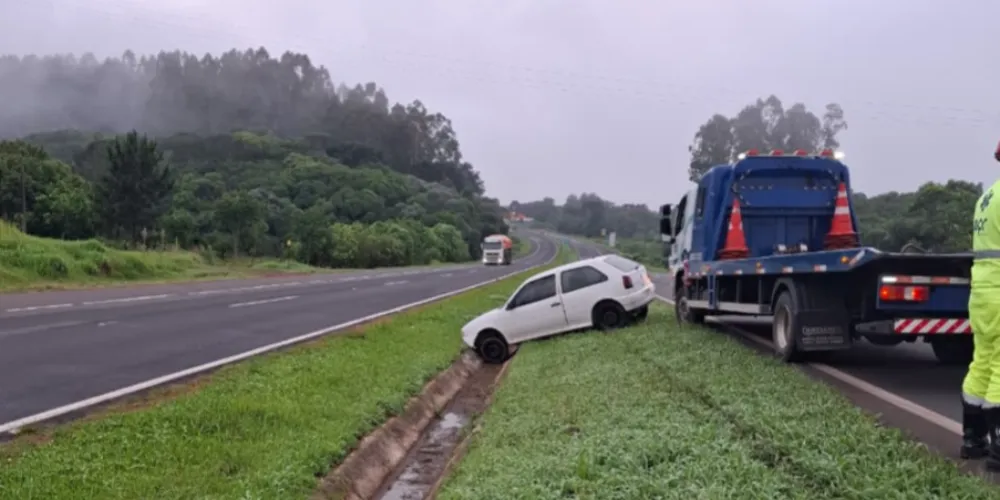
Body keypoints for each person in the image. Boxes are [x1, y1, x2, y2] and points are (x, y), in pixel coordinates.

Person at [961, 142, 1000, 468]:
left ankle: (972, 439)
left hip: (984, 293)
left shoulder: (987, 198)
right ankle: (999, 450)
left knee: (983, 363)